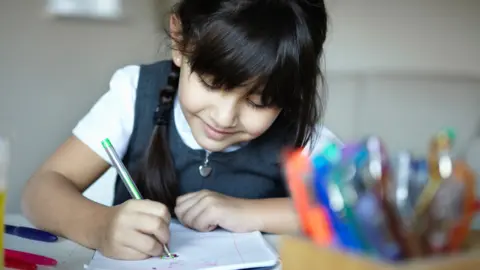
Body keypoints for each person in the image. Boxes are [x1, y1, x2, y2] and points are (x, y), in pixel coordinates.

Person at [22, 0, 337, 261]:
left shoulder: (299, 135)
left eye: (259, 102)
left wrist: (249, 213)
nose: (224, 117)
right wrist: (101, 226)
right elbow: (40, 192)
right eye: (211, 84)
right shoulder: (134, 94)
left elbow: (353, 216)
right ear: (179, 41)